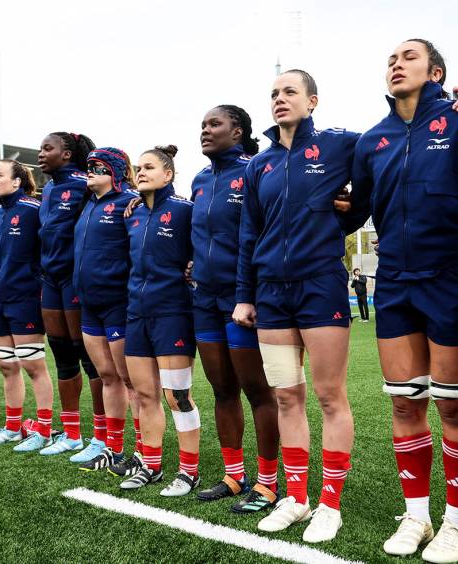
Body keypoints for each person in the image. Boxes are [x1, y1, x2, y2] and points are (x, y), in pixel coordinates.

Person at [343, 38, 458, 561]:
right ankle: (417, 516)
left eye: (408, 57)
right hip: (394, 281)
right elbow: (355, 209)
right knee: (405, 401)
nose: (395, 63)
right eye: (389, 58)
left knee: (454, 407)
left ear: (436, 72)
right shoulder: (373, 140)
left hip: (453, 275)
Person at [233, 69, 363, 543]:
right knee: (287, 396)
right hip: (270, 293)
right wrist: (244, 294)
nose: (279, 99)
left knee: (330, 396)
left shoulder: (341, 144)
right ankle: (297, 497)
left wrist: (356, 209)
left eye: (290, 91)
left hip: (320, 286)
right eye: (273, 93)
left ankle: (330, 504)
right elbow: (249, 233)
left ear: (313, 100)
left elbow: (381, 169)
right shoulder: (258, 166)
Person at [181, 105, 282, 513]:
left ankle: (268, 482)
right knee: (222, 389)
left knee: (258, 391)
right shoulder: (201, 178)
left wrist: (249, 293)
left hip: (243, 299)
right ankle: (233, 475)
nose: (205, 130)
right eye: (202, 124)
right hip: (203, 298)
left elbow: (257, 234)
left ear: (237, 131)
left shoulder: (254, 169)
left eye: (214, 124)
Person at [119, 145, 200, 496]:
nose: (141, 171)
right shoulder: (132, 214)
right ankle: (151, 466)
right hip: (136, 314)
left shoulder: (185, 211)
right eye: (138, 167)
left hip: (173, 313)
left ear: (168, 175)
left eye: (149, 167)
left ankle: (189, 471)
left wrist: (196, 266)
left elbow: (205, 245)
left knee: (177, 396)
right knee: (144, 393)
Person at [36, 131, 107, 459]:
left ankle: (103, 437)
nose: (40, 153)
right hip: (50, 281)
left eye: (47, 148)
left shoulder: (83, 183)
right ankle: (72, 433)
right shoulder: (48, 188)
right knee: (61, 355)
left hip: (75, 281)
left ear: (66, 154)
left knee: (89, 359)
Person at [71, 147, 141, 471]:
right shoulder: (88, 206)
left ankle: (143, 452)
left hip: (118, 303)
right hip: (89, 304)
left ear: (114, 171)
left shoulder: (128, 203)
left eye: (98, 167)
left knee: (131, 381)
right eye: (89, 166)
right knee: (107, 376)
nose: (90, 171)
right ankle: (113, 448)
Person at [0, 159, 56, 450]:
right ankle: (13, 427)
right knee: (7, 365)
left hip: (25, 296)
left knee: (33, 365)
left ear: (16, 181)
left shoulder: (32, 209)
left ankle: (44, 430)